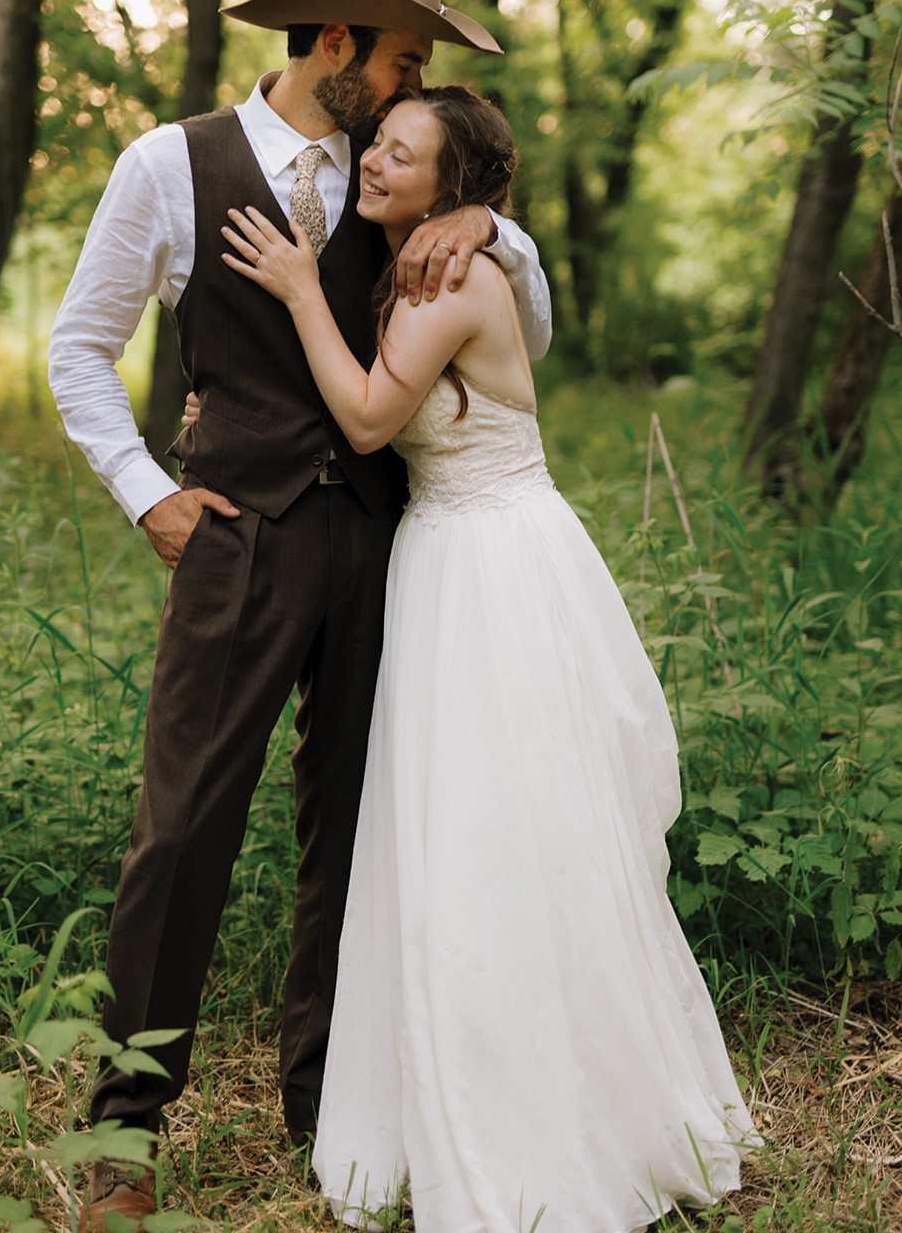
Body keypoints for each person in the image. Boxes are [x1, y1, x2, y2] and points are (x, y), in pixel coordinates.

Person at [47, 0, 551, 1232]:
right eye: (402, 61)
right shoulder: (171, 164)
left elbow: (523, 312)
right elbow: (79, 347)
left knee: (359, 832)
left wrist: (493, 223)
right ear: (336, 46)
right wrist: (145, 490)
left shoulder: (417, 198)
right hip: (237, 541)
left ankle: (328, 1115)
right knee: (183, 832)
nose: (410, 89)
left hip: (394, 540)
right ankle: (123, 1132)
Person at [221, 85, 759, 1233]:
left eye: (402, 156)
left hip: (489, 567)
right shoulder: (441, 255)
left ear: (450, 190)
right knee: (464, 834)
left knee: (501, 837)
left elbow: (370, 418)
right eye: (379, 143)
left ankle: (543, 1121)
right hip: (465, 556)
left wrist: (299, 291)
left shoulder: (457, 272)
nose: (375, 161)